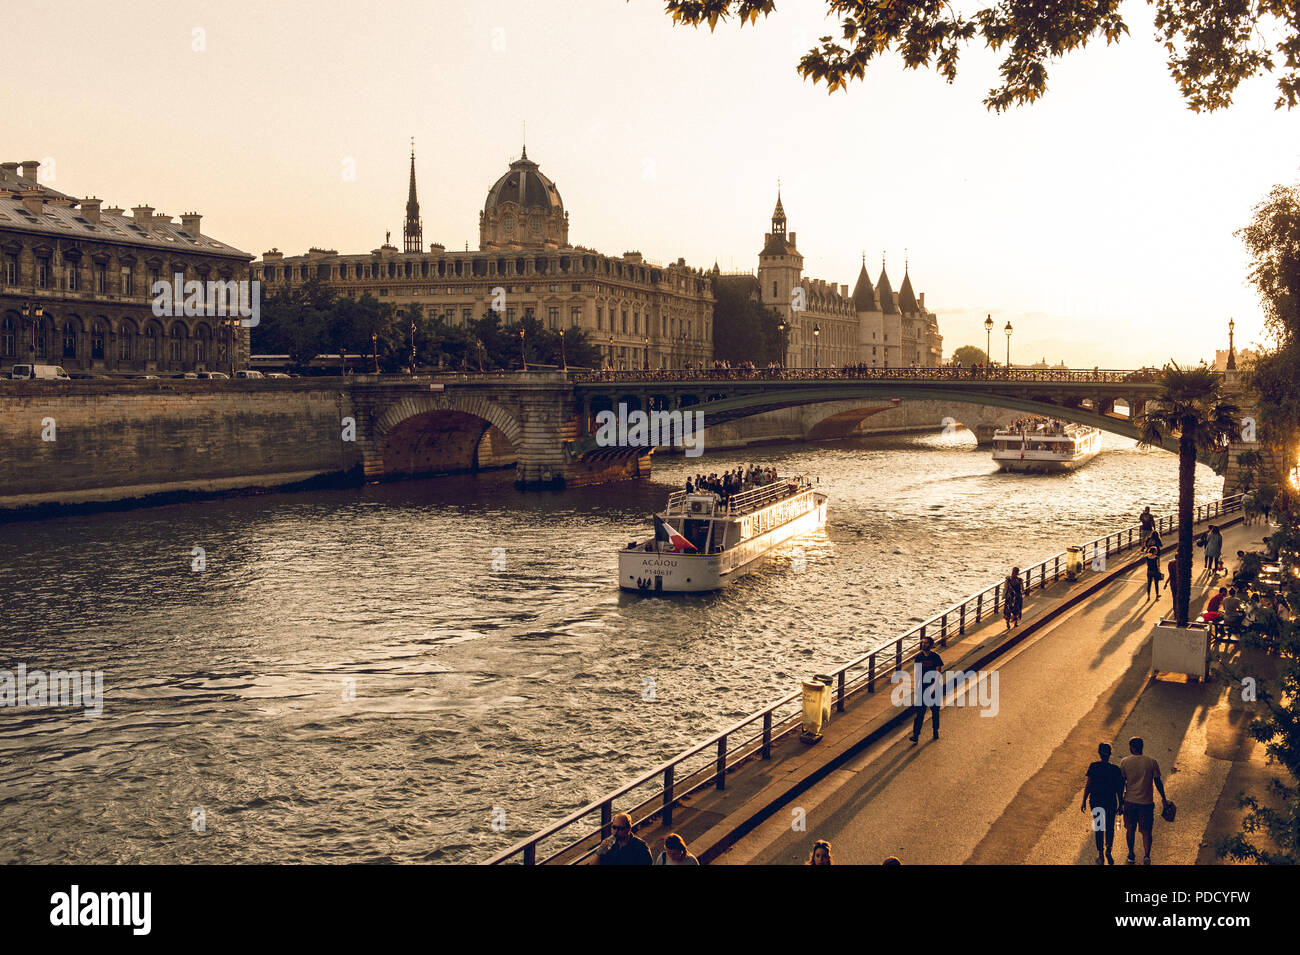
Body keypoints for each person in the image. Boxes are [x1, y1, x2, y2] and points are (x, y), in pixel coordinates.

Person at [1119, 737, 1168, 865]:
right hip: (1146, 803)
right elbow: (1158, 782)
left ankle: (1131, 855)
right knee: (1146, 831)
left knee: (1130, 830)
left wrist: (1120, 802)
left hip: (1129, 802)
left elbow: (1121, 784)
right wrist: (1164, 798)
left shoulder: (1124, 762)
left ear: (1132, 747)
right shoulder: (1151, 762)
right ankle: (1146, 856)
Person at [1081, 742, 1125, 865]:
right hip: (1110, 802)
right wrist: (1121, 803)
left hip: (1096, 801)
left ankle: (1100, 854)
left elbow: (1088, 785)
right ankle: (1108, 850)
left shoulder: (1094, 767)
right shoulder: (1115, 769)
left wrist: (1084, 800)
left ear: (1099, 753)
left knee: (1099, 827)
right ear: (1110, 754)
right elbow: (1119, 788)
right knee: (1110, 827)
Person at [909, 636, 944, 744]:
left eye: (926, 643)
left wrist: (933, 687)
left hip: (934, 688)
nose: (924, 645)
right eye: (923, 643)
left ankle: (935, 730)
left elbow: (938, 673)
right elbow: (917, 673)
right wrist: (917, 687)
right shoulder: (919, 657)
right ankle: (916, 735)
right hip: (922, 688)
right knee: (919, 713)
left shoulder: (935, 657)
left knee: (935, 712)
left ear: (931, 645)